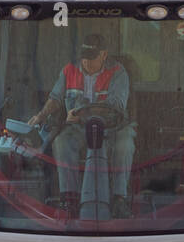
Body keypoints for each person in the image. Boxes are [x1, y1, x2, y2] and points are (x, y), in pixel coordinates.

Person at [28, 33, 136, 219]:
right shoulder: (69, 70)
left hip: (112, 129)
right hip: (78, 128)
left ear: (104, 55)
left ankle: (120, 199)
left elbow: (117, 106)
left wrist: (81, 114)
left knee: (126, 144)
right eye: (84, 57)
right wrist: (40, 116)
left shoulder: (119, 72)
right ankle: (69, 198)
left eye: (92, 58)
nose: (86, 62)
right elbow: (55, 98)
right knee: (61, 141)